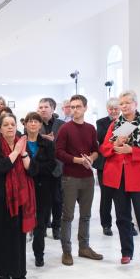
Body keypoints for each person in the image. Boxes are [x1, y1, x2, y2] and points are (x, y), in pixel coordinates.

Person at [100, 90, 140, 270]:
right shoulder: (115, 124)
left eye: (127, 102)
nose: (124, 106)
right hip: (117, 178)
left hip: (138, 177)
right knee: (122, 217)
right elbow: (104, 149)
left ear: (135, 104)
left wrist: (131, 151)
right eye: (122, 103)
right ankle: (126, 252)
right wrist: (116, 144)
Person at [0, 113, 36, 279]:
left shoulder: (22, 144)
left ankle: (18, 271)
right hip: (0, 197)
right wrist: (15, 152)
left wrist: (22, 153)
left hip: (20, 197)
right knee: (1, 235)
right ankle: (3, 272)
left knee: (18, 235)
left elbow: (31, 170)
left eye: (12, 124)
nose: (10, 127)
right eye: (6, 124)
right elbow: (0, 168)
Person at [55, 94, 103, 265]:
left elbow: (96, 150)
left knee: (86, 215)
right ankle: (66, 251)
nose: (75, 110)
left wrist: (91, 158)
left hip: (88, 178)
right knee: (67, 216)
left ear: (85, 108)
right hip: (70, 177)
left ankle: (84, 247)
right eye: (72, 107)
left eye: (78, 106)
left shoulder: (90, 128)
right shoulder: (65, 129)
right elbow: (58, 152)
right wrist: (78, 160)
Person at [22, 112, 57, 267]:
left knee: (41, 223)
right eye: (30, 121)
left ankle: (39, 254)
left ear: (40, 125)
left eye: (36, 121)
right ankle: (19, 254)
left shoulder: (47, 143)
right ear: (25, 124)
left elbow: (51, 165)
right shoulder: (19, 143)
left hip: (44, 188)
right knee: (22, 222)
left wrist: (32, 168)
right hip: (24, 187)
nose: (33, 124)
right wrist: (34, 169)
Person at [37, 97, 64, 240]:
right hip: (41, 169)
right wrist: (41, 138)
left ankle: (56, 227)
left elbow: (66, 145)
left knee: (58, 200)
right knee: (42, 201)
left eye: (45, 107)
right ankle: (42, 226)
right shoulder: (33, 123)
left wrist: (54, 141)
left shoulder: (62, 125)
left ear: (53, 109)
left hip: (58, 168)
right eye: (40, 107)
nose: (42, 109)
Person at [95, 97, 120, 237]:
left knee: (122, 196)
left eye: (116, 108)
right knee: (106, 197)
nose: (113, 111)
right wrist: (119, 129)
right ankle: (106, 225)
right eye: (111, 108)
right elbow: (103, 138)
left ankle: (127, 223)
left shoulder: (128, 121)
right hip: (104, 164)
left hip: (121, 163)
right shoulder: (101, 122)